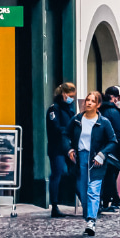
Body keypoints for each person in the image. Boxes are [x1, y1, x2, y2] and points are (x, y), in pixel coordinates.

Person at [70, 91, 119, 236]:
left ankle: (91, 221)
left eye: (92, 101)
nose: (89, 103)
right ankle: (88, 215)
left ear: (98, 105)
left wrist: (102, 154)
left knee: (93, 190)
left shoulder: (103, 122)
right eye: (87, 100)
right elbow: (66, 135)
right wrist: (69, 149)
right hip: (80, 158)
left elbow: (113, 141)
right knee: (81, 189)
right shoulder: (77, 120)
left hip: (96, 159)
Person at [46, 83, 80, 218]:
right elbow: (56, 128)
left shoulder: (69, 109)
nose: (72, 98)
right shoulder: (54, 109)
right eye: (70, 96)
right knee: (58, 173)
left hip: (69, 146)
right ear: (64, 94)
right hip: (57, 147)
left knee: (74, 173)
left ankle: (85, 202)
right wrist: (67, 132)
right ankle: (54, 205)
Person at [99, 86, 120, 213]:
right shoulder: (113, 112)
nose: (119, 100)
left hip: (103, 148)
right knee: (111, 175)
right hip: (112, 149)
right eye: (119, 98)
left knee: (107, 175)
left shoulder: (101, 110)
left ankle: (110, 201)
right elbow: (119, 132)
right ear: (113, 97)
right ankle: (106, 203)